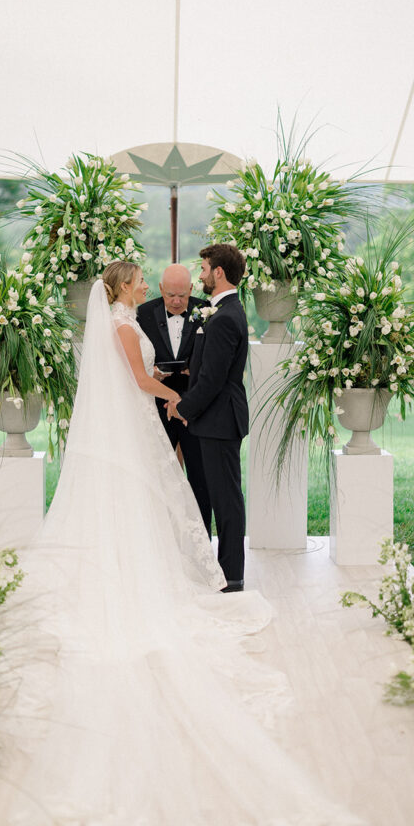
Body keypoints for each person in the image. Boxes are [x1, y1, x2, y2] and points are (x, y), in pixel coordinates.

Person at [0, 260, 374, 826]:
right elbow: (138, 378)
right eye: (141, 281)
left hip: (133, 431)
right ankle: (136, 579)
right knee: (141, 508)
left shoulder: (126, 322)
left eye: (171, 286)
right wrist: (175, 397)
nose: (153, 290)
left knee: (149, 507)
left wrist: (172, 393)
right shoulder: (127, 328)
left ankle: (159, 569)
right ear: (123, 288)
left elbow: (139, 375)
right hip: (138, 427)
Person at [168, 244, 249, 593]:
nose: (199, 275)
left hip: (220, 420)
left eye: (203, 269)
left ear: (218, 272)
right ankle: (220, 569)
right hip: (214, 419)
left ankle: (232, 575)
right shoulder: (220, 311)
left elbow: (214, 380)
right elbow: (208, 368)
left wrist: (182, 408)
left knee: (226, 500)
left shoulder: (226, 316)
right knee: (219, 496)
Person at [136, 263, 212, 534]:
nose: (177, 301)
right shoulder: (143, 313)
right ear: (160, 290)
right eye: (170, 295)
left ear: (191, 289)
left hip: (196, 407)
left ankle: (203, 542)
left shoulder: (206, 309)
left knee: (201, 478)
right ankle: (161, 539)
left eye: (182, 295)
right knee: (157, 477)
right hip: (156, 407)